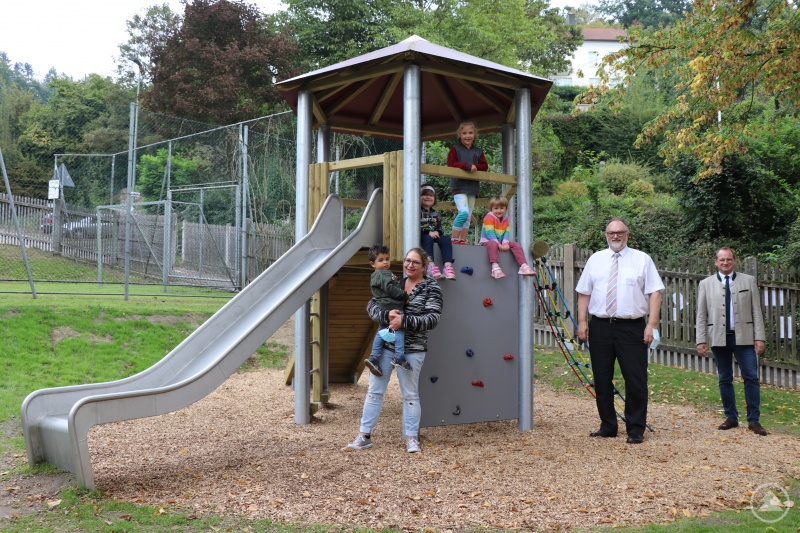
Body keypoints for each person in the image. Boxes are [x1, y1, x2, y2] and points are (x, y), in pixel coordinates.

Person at [346, 248, 444, 454]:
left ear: (424, 266)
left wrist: (404, 321)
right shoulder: (395, 281)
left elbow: (432, 319)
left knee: (410, 395)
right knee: (374, 391)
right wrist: (386, 315)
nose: (410, 265)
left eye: (415, 262)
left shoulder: (431, 288)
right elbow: (371, 306)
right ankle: (364, 436)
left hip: (413, 349)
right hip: (386, 346)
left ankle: (411, 438)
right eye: (407, 260)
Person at [576, 217, 664, 444]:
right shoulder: (596, 259)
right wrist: (582, 322)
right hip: (600, 326)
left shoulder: (642, 259)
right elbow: (584, 292)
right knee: (601, 379)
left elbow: (655, 292)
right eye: (611, 233)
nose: (615, 236)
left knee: (636, 380)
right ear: (606, 235)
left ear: (627, 234)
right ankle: (608, 426)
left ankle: (635, 429)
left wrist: (652, 325)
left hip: (632, 328)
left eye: (620, 232)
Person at [696, 247, 768, 436]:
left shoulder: (748, 280)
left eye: (728, 259)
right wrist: (701, 340)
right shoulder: (706, 284)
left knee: (751, 377)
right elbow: (701, 315)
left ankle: (754, 420)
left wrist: (759, 337)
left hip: (744, 336)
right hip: (719, 337)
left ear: (734, 260)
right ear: (716, 262)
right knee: (724, 378)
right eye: (722, 260)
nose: (725, 263)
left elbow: (756, 311)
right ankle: (731, 417)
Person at [364, 244, 409, 375]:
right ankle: (399, 355)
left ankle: (374, 356)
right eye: (381, 260)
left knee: (382, 330)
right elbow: (389, 289)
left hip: (384, 306)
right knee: (399, 329)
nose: (385, 262)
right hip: (392, 306)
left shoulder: (376, 275)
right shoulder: (384, 274)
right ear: (373, 263)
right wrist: (404, 295)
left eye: (387, 259)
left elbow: (386, 286)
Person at [447, 120, 487, 245]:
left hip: (472, 188)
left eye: (470, 133)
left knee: (468, 216)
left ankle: (462, 240)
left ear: (475, 134)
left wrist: (475, 167)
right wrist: (467, 166)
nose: (467, 136)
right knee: (463, 213)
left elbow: (484, 166)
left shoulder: (478, 151)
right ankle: (454, 239)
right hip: (459, 187)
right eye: (464, 133)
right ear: (459, 135)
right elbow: (451, 164)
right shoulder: (455, 149)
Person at [479, 195, 536, 279]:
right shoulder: (489, 217)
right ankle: (495, 267)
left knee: (515, 244)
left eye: (502, 208)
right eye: (496, 208)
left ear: (506, 209)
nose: (499, 211)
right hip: (487, 241)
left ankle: (523, 266)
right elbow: (490, 233)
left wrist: (505, 243)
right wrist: (498, 244)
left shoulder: (506, 219)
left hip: (500, 243)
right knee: (493, 243)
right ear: (491, 209)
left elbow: (506, 232)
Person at [420, 184, 456, 280]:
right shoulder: (417, 211)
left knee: (446, 239)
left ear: (434, 199)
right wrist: (428, 232)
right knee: (428, 239)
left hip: (434, 235)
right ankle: (430, 266)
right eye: (425, 194)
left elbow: (439, 227)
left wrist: (438, 232)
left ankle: (447, 266)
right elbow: (417, 226)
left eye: (431, 195)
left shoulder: (436, 214)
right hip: (423, 235)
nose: (428, 197)